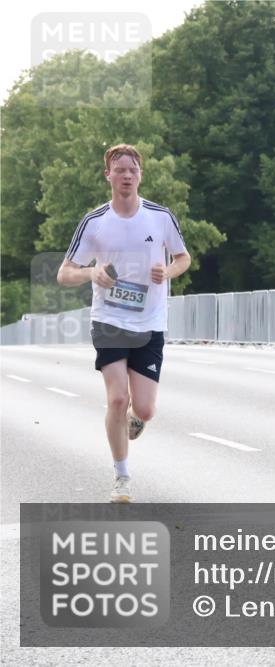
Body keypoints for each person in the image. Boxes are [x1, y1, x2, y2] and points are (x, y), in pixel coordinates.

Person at [56, 144, 191, 503]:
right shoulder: (95, 222)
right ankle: (121, 477)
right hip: (109, 319)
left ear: (140, 175)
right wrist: (91, 273)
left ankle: (136, 420)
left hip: (149, 321)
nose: (127, 176)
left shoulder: (160, 217)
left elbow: (183, 257)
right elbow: (64, 273)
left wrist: (170, 270)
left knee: (143, 408)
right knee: (117, 399)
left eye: (133, 170)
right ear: (109, 176)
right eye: (120, 170)